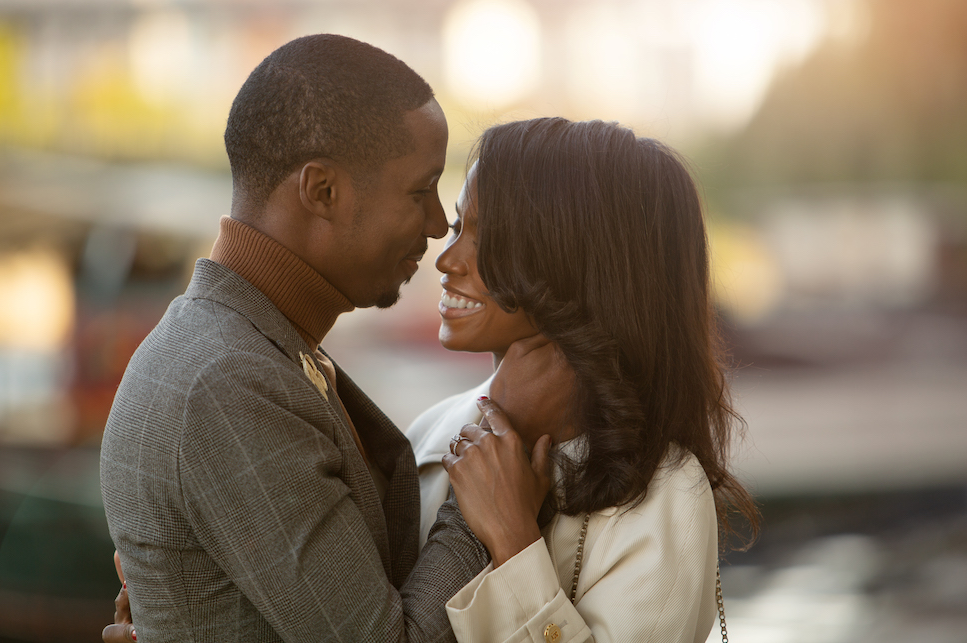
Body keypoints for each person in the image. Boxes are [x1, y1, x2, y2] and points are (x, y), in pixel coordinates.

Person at [99, 34, 568, 642]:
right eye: (419, 191)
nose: (434, 227)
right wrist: (495, 459)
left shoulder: (257, 350)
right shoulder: (226, 382)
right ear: (322, 191)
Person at [405, 118, 760, 642]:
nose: (447, 258)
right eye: (460, 227)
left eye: (488, 238)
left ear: (574, 263)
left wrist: (513, 542)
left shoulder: (665, 497)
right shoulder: (429, 436)